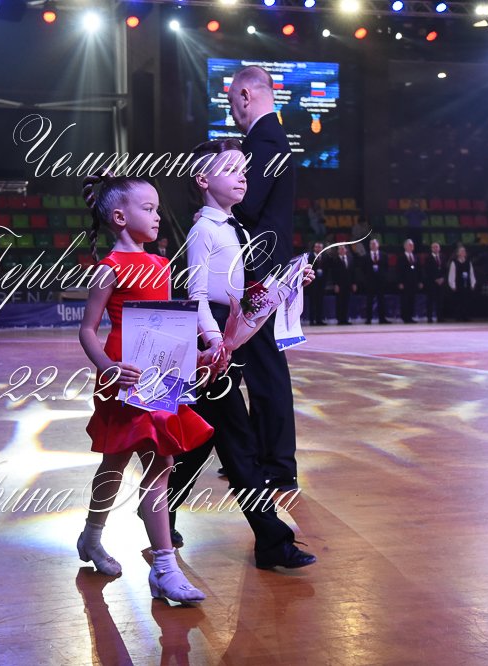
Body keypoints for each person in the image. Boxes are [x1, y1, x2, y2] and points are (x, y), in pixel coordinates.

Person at [168, 138, 316, 571]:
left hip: (225, 333)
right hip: (210, 337)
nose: (242, 177)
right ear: (203, 180)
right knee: (239, 441)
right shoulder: (204, 231)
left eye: (244, 171)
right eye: (230, 170)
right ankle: (271, 539)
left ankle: (159, 509)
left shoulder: (237, 229)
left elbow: (248, 295)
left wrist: (289, 284)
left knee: (203, 439)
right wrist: (215, 343)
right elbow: (197, 295)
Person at [76, 172, 212, 603]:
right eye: (148, 209)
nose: (157, 217)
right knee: (118, 463)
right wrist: (108, 368)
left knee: (157, 462)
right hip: (125, 373)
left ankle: (142, 558)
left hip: (159, 374)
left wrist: (192, 358)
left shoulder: (160, 264)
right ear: (120, 217)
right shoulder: (109, 268)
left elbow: (167, 325)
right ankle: (141, 558)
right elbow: (87, 329)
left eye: (156, 209)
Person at [226, 65, 307, 491]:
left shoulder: (265, 140)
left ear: (245, 95)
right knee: (245, 366)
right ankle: (253, 456)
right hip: (261, 267)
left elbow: (247, 204)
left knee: (264, 369)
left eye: (231, 103)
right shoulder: (268, 138)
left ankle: (276, 464)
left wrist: (213, 207)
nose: (232, 112)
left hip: (260, 271)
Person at [363, 238, 389, 323]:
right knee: (369, 301)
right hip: (370, 282)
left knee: (381, 300)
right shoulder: (365, 256)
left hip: (381, 282)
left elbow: (386, 268)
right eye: (372, 244)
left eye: (375, 243)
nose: (373, 245)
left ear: (378, 245)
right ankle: (368, 319)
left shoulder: (384, 255)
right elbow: (363, 270)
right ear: (369, 246)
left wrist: (383, 278)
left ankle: (382, 319)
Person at [447, 246, 477, 321]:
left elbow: (471, 273)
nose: (463, 252)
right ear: (458, 253)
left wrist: (473, 283)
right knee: (458, 301)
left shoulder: (468, 262)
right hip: (458, 284)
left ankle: (466, 316)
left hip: (466, 284)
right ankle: (458, 316)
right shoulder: (454, 262)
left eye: (464, 251)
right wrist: (452, 285)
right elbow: (452, 274)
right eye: (461, 251)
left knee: (466, 300)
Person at [396, 239, 421, 323]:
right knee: (405, 300)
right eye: (410, 245)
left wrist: (420, 281)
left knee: (412, 300)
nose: (411, 246)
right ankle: (405, 317)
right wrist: (400, 282)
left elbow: (419, 270)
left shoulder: (416, 257)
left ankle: (410, 317)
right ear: (405, 246)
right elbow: (398, 271)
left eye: (412, 245)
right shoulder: (401, 257)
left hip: (413, 282)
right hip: (405, 283)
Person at [332, 245, 358, 325]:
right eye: (340, 249)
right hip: (339, 285)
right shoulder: (335, 260)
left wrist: (354, 283)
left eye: (343, 248)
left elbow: (353, 272)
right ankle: (340, 319)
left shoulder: (350, 259)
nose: (342, 250)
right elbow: (333, 274)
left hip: (348, 284)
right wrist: (335, 284)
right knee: (339, 302)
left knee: (347, 302)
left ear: (346, 250)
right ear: (338, 251)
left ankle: (345, 319)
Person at [305, 241, 327, 325]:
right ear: (314, 248)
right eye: (317, 247)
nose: (319, 249)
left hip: (321, 284)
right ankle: (312, 320)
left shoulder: (324, 257)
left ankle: (319, 320)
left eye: (320, 247)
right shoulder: (309, 257)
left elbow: (327, 270)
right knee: (312, 303)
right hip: (312, 284)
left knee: (320, 302)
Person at [423, 242, 445, 323]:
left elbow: (445, 269)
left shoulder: (442, 257)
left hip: (441, 282)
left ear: (439, 248)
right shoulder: (428, 258)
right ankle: (429, 317)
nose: (436, 248)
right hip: (431, 283)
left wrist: (442, 278)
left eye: (437, 247)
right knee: (430, 300)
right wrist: (435, 279)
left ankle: (440, 317)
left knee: (440, 300)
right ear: (431, 249)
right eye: (434, 247)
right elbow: (427, 271)